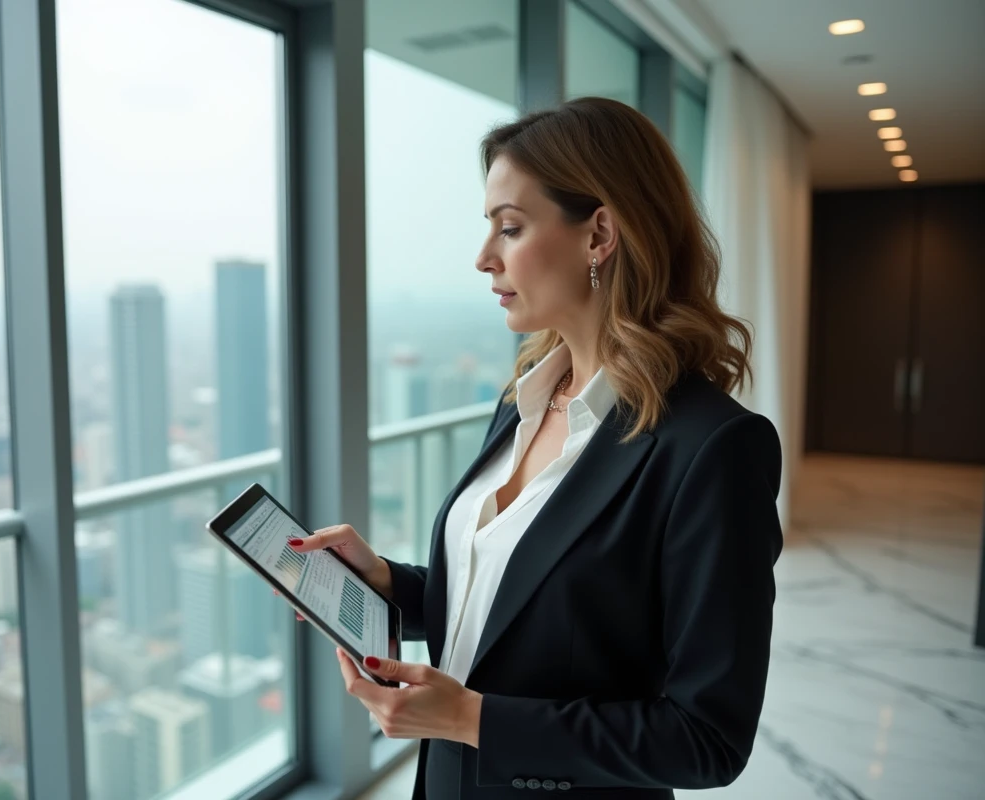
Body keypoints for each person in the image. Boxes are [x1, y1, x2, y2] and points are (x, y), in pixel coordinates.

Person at [287, 96, 783, 799]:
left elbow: (707, 739)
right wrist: (389, 585)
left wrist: (470, 717)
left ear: (599, 235)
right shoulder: (522, 399)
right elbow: (521, 604)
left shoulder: (713, 449)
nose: (484, 257)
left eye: (510, 228)